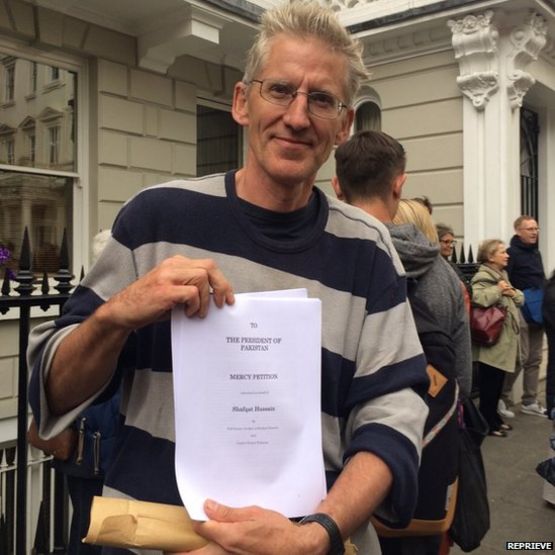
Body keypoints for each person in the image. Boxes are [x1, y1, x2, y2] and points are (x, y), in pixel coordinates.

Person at [28, 3, 429, 554]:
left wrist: (316, 533)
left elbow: (395, 415)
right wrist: (116, 315)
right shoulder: (155, 219)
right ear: (243, 102)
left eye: (321, 100)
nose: (297, 115)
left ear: (343, 125)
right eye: (280, 89)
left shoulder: (369, 248)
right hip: (152, 539)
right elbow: (51, 391)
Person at [333, 132, 471, 555]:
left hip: (335, 484)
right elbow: (462, 378)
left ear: (337, 186)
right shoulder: (444, 276)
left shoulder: (325, 260)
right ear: (399, 184)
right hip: (421, 480)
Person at [471, 240, 524, 437]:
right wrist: (499, 290)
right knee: (489, 386)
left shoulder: (502, 276)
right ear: (490, 257)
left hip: (504, 340)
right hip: (492, 340)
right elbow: (479, 298)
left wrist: (509, 290)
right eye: (502, 252)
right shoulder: (483, 276)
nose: (507, 255)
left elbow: (520, 299)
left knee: (497, 383)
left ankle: (494, 418)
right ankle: (487, 424)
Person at [500, 215, 547, 417]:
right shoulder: (511, 253)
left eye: (536, 228)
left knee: (535, 357)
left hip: (539, 309)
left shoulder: (536, 252)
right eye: (529, 229)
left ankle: (530, 400)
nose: (534, 232)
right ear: (518, 231)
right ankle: (503, 398)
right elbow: (504, 280)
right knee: (521, 356)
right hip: (521, 308)